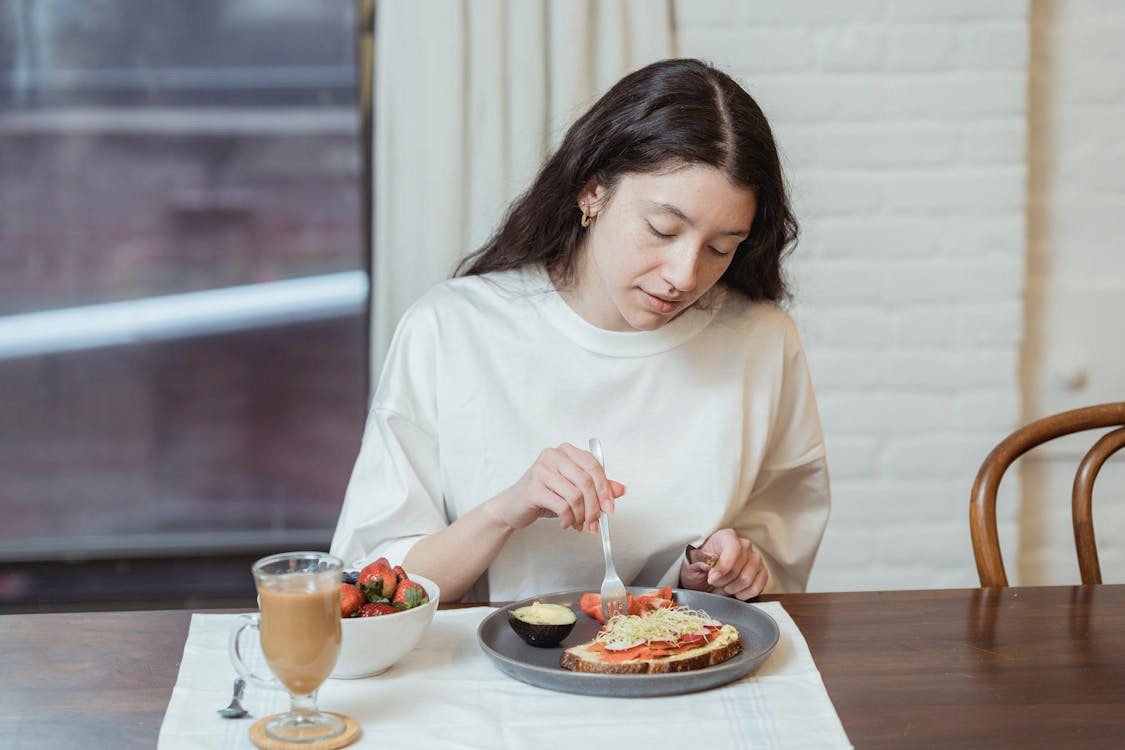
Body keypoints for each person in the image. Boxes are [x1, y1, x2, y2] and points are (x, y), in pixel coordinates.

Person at [331, 58, 830, 604]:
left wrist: (720, 572)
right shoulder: (451, 330)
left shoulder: (760, 342)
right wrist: (505, 510)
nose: (684, 275)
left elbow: (777, 552)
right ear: (593, 191)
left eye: (720, 247)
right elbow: (370, 586)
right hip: (480, 675)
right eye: (662, 230)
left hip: (675, 672)